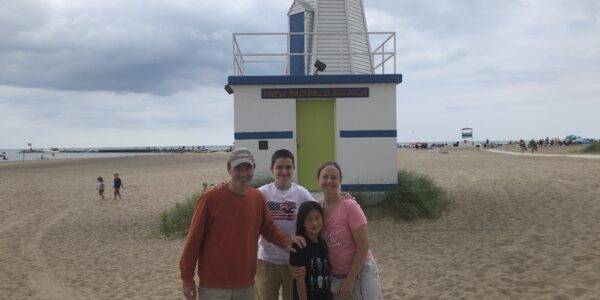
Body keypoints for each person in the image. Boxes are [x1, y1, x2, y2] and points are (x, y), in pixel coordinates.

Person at [179, 148, 305, 300]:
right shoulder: (209, 198)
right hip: (214, 285)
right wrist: (187, 277)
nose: (244, 173)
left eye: (248, 168)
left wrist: (286, 240)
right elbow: (193, 240)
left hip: (245, 285)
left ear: (254, 168)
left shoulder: (257, 197)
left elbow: (267, 227)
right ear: (229, 169)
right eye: (238, 168)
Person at [316, 162, 382, 300]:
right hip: (336, 275)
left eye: (334, 177)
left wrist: (350, 280)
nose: (329, 181)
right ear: (318, 180)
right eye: (325, 177)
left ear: (340, 180)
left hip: (361, 269)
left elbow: (363, 246)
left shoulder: (350, 207)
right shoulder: (316, 208)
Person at [256, 149, 315, 300]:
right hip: (267, 259)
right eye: (279, 167)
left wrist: (340, 199)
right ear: (272, 169)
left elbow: (318, 213)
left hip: (293, 261)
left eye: (288, 167)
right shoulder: (262, 193)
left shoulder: (301, 193)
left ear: (293, 169)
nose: (284, 171)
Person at [289, 201, 332, 300]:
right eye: (309, 220)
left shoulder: (323, 243)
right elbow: (300, 281)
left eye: (317, 218)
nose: (315, 223)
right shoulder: (299, 245)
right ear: (302, 222)